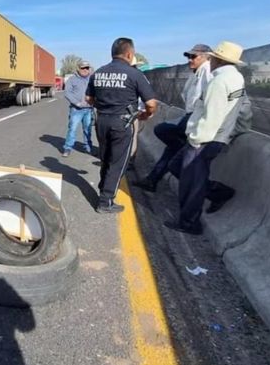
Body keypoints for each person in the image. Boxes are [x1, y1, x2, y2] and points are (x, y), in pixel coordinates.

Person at [165, 41, 247, 234]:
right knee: (185, 173)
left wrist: (195, 139)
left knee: (191, 184)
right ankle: (218, 193)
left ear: (217, 59)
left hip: (203, 140)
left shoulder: (219, 81)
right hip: (215, 138)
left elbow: (212, 115)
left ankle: (189, 223)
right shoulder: (235, 78)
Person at [86, 38, 157, 213]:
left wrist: (104, 108)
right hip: (122, 122)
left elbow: (88, 99)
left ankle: (104, 187)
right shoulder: (135, 74)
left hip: (101, 121)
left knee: (106, 158)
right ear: (129, 54)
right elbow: (152, 103)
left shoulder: (98, 73)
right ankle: (105, 201)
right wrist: (145, 115)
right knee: (118, 162)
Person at [134, 44, 213, 191]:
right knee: (171, 147)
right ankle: (152, 180)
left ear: (206, 56)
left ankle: (217, 191)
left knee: (162, 131)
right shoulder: (197, 73)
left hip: (196, 120)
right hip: (190, 117)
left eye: (193, 56)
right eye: (189, 56)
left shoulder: (208, 72)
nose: (190, 60)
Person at [62, 61, 94, 157]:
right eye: (83, 68)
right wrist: (77, 103)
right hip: (76, 109)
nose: (85, 70)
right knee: (72, 129)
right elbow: (67, 93)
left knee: (88, 129)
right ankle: (67, 148)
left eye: (87, 68)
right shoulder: (72, 79)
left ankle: (88, 147)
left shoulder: (92, 79)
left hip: (89, 109)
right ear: (78, 69)